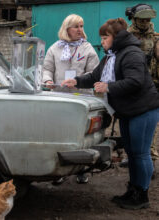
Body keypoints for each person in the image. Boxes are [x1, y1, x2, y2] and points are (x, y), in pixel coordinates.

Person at [62, 18, 159, 210]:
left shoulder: (132, 54)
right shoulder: (111, 56)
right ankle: (133, 190)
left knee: (140, 153)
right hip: (128, 112)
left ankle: (142, 195)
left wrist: (109, 87)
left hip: (143, 110)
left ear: (116, 37)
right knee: (132, 153)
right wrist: (76, 81)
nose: (103, 41)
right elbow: (94, 77)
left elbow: (136, 81)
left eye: (105, 37)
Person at [42, 14, 99, 184]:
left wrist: (79, 82)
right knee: (59, 134)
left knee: (80, 135)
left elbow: (94, 73)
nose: (80, 30)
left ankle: (81, 170)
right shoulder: (55, 48)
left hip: (81, 99)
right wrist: (48, 81)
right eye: (76, 27)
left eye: (82, 26)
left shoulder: (87, 49)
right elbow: (47, 69)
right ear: (67, 29)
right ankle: (59, 172)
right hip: (59, 98)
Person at [125, 3, 159, 179]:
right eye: (142, 19)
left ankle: (149, 161)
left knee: (149, 128)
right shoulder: (127, 36)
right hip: (132, 86)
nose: (145, 22)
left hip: (151, 87)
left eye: (148, 19)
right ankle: (134, 157)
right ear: (134, 19)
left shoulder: (155, 37)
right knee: (131, 124)